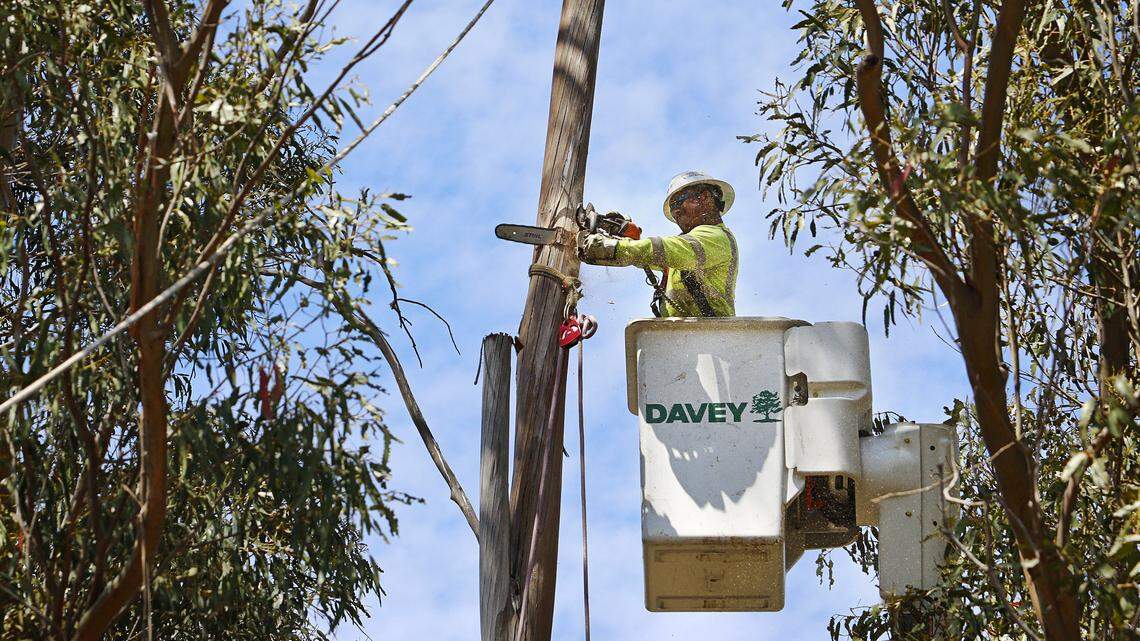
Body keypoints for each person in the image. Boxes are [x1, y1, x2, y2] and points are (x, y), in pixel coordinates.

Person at [578, 171, 739, 317]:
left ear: (704, 197)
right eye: (672, 207)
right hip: (684, 338)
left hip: (710, 337)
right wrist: (632, 237)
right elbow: (650, 256)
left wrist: (609, 247)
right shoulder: (684, 254)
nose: (675, 212)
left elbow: (664, 249)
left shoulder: (716, 237)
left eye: (679, 202)